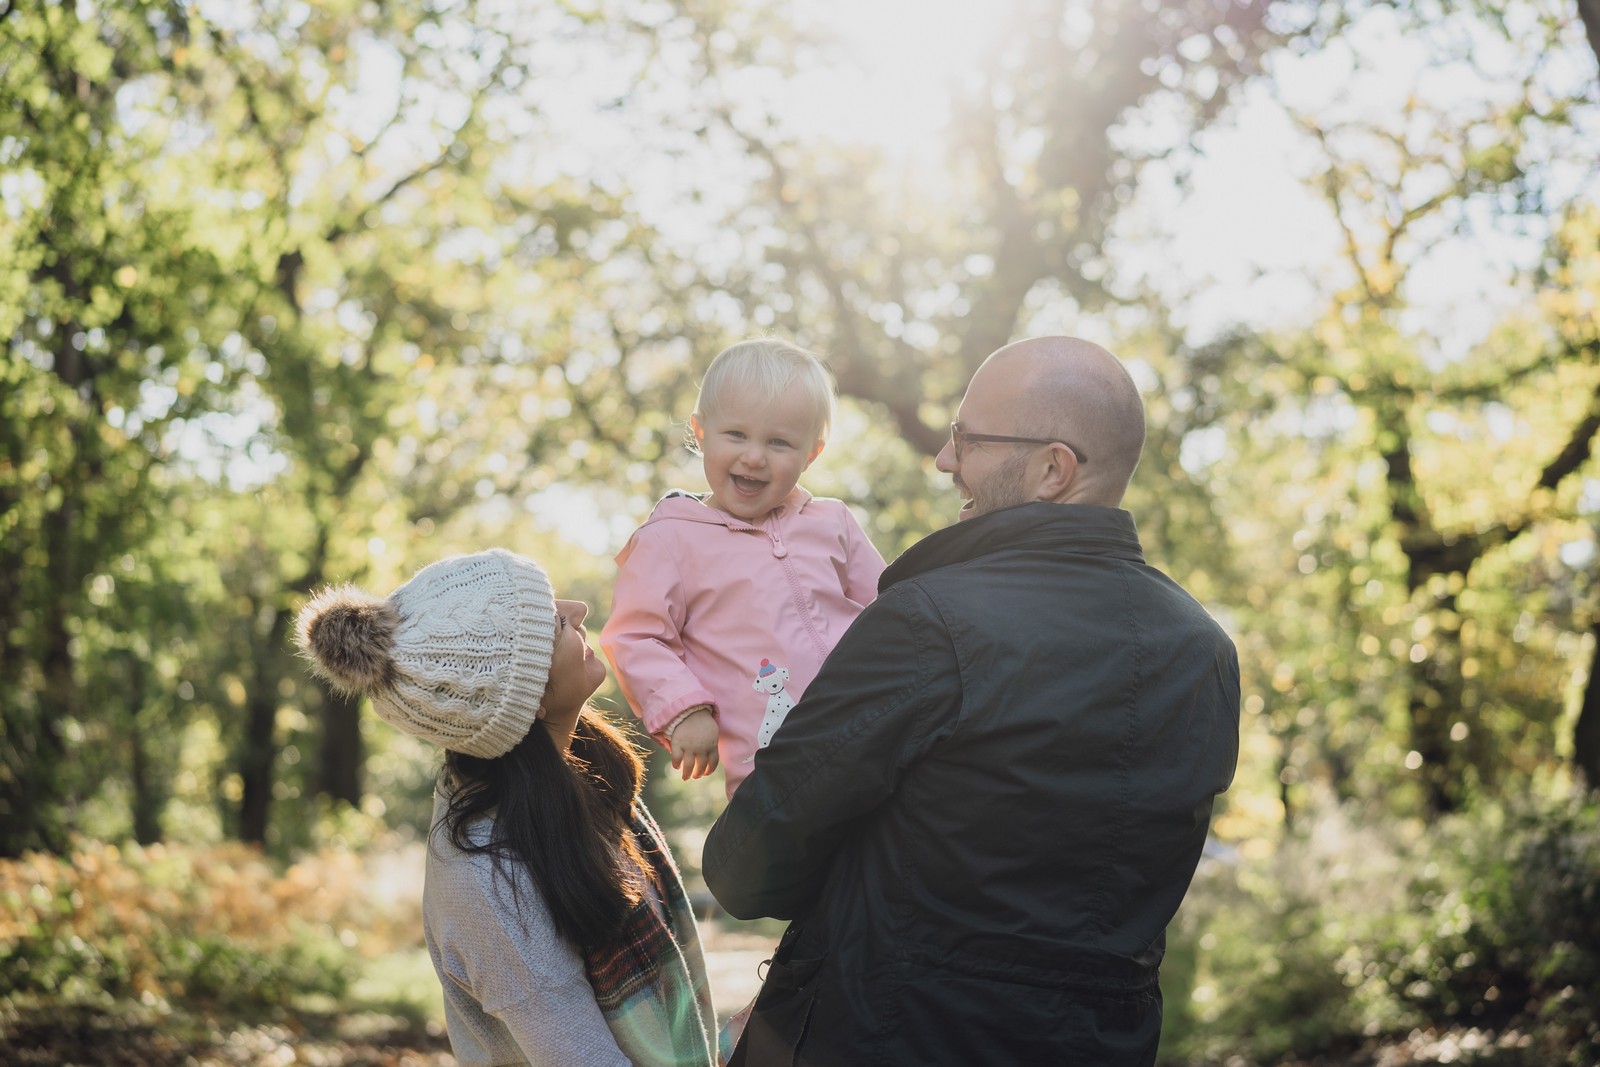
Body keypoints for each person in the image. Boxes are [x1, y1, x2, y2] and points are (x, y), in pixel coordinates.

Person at [702, 336, 1242, 1066]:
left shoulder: (927, 621)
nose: (945, 460)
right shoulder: (1203, 650)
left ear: (1055, 468)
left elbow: (747, 867)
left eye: (969, 439)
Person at [295, 548, 720, 1067]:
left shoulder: (584, 780)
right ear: (527, 695)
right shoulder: (484, 881)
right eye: (554, 621)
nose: (579, 609)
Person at [600, 339, 886, 798]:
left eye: (778, 442)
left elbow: (889, 608)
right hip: (775, 767)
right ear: (700, 432)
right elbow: (635, 636)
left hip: (873, 733)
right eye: (736, 435)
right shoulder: (670, 539)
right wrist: (684, 710)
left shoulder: (831, 521)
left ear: (811, 453)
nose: (754, 456)